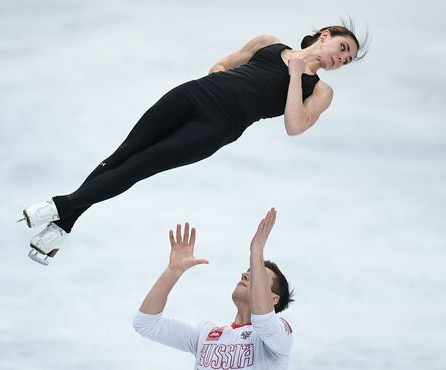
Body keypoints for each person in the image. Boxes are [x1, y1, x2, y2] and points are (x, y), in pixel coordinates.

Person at [20, 21, 367, 265]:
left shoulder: (319, 90)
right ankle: (62, 223)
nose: (342, 58)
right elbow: (224, 63)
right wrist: (219, 83)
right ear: (326, 35)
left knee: (143, 164)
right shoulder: (268, 41)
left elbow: (294, 125)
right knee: (123, 155)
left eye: (347, 60)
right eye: (343, 48)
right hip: (194, 95)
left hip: (217, 127)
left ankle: (59, 205)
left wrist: (295, 76)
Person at [133, 208, 295, 369]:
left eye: (258, 274)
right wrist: (173, 271)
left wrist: (256, 253)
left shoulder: (279, 336)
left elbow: (263, 320)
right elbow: (145, 323)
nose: (245, 274)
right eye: (249, 270)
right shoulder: (205, 334)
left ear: (274, 298)